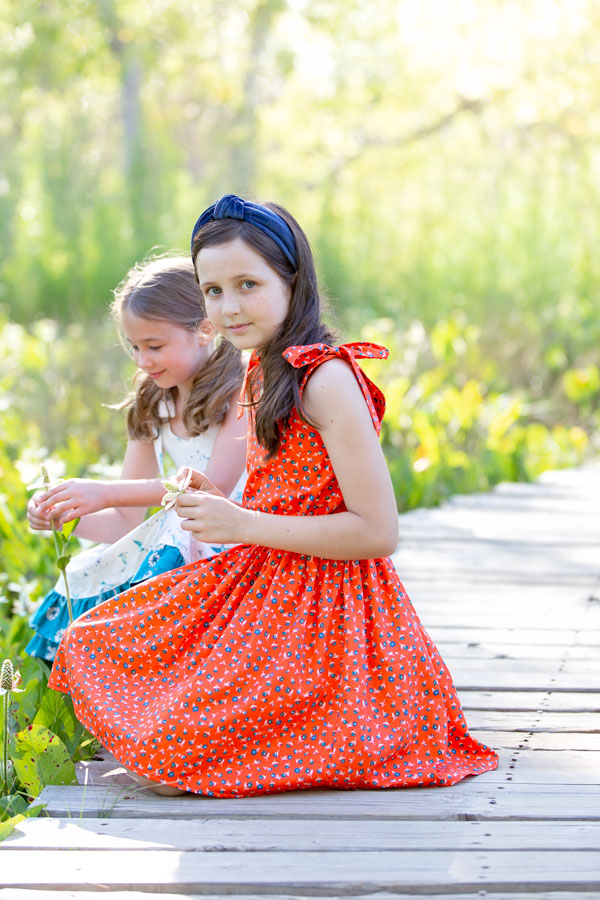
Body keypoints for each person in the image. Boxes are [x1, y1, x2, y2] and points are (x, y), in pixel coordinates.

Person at [49, 195, 498, 797]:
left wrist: (242, 524)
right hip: (266, 584)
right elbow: (284, 494)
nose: (228, 308)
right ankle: (188, 748)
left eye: (247, 284)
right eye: (212, 291)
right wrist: (215, 501)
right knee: (94, 641)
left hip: (328, 609)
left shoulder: (327, 378)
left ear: (292, 279)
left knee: (174, 739)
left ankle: (254, 739)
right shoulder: (265, 368)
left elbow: (377, 532)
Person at [27, 254, 247, 661]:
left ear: (205, 328)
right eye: (134, 346)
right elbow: (125, 523)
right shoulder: (151, 403)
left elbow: (211, 488)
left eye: (155, 346)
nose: (142, 361)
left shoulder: (242, 394)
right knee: (88, 570)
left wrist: (106, 492)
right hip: (178, 546)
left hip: (233, 546)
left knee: (179, 525)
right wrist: (67, 515)